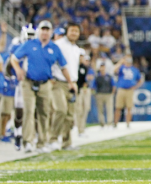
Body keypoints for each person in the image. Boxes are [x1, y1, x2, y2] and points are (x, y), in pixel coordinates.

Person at [11, 21, 77, 154]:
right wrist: (18, 70)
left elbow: (63, 66)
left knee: (44, 113)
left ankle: (42, 142)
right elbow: (14, 58)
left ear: (51, 32)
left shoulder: (54, 48)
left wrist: (70, 82)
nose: (45, 32)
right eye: (43, 29)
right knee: (29, 112)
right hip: (28, 82)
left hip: (45, 83)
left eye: (47, 30)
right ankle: (28, 142)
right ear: (38, 31)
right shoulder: (30, 44)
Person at [49, 23, 83, 151]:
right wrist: (51, 76)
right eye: (72, 31)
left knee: (69, 115)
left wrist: (74, 82)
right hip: (58, 82)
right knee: (60, 110)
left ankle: (66, 142)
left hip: (72, 83)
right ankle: (52, 139)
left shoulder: (76, 48)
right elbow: (50, 60)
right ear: (66, 32)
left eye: (76, 31)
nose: (74, 33)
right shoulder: (58, 45)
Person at [5, 24, 35, 150]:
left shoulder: (37, 46)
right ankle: (18, 135)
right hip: (20, 83)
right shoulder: (17, 46)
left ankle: (32, 137)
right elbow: (9, 64)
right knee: (20, 112)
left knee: (34, 112)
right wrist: (11, 76)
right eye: (29, 35)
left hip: (34, 82)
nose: (31, 38)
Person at [114, 55, 143, 128]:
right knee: (118, 107)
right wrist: (120, 62)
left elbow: (140, 80)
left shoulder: (134, 70)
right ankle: (115, 123)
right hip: (121, 89)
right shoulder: (122, 67)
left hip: (130, 90)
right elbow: (114, 70)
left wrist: (135, 87)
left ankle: (128, 124)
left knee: (129, 108)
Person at [75, 55, 93, 137]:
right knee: (79, 110)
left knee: (86, 108)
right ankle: (78, 127)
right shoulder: (75, 66)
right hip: (78, 90)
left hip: (84, 90)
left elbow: (85, 81)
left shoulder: (85, 68)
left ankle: (82, 127)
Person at [94, 63, 115, 127]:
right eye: (101, 67)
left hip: (108, 94)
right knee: (100, 109)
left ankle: (109, 122)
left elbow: (113, 85)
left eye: (103, 67)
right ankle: (102, 122)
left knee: (109, 108)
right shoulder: (97, 77)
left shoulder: (109, 76)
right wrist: (95, 94)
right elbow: (94, 86)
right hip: (99, 94)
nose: (102, 69)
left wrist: (112, 93)